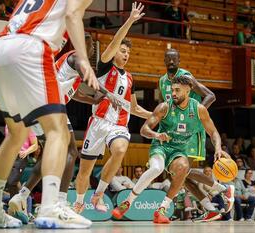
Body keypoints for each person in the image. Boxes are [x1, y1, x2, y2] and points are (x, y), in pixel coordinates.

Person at [0, 0, 99, 229]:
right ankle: (51, 207)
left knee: (16, 135)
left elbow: (7, 32)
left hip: (1, 50)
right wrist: (83, 58)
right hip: (32, 48)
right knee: (58, 131)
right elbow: (73, 14)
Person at [7, 32, 117, 224]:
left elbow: (72, 93)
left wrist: (92, 99)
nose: (92, 50)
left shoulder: (71, 67)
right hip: (48, 105)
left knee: (50, 155)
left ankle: (21, 196)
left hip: (38, 106)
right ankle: (60, 203)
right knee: (71, 151)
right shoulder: (76, 58)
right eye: (90, 46)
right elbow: (88, 78)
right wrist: (108, 93)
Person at [112, 75, 234, 224]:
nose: (173, 93)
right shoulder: (164, 107)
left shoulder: (198, 109)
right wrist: (157, 135)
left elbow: (213, 132)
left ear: (188, 90)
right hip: (161, 146)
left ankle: (162, 210)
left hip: (179, 150)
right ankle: (128, 202)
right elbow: (144, 130)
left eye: (177, 90)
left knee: (184, 168)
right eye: (172, 90)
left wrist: (217, 148)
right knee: (157, 168)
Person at [73, 2, 152, 214]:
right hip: (98, 123)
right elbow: (116, 40)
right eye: (123, 51)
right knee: (84, 171)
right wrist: (130, 20)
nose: (125, 54)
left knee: (119, 150)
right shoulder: (105, 65)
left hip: (118, 125)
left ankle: (98, 194)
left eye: (128, 52)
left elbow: (134, 108)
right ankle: (79, 202)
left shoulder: (131, 79)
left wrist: (155, 115)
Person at [6, 127, 38, 197]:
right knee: (11, 182)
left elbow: (35, 145)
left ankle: (16, 203)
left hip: (20, 156)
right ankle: (17, 203)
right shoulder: (7, 125)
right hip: (8, 156)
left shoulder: (28, 126)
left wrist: (26, 152)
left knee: (12, 182)